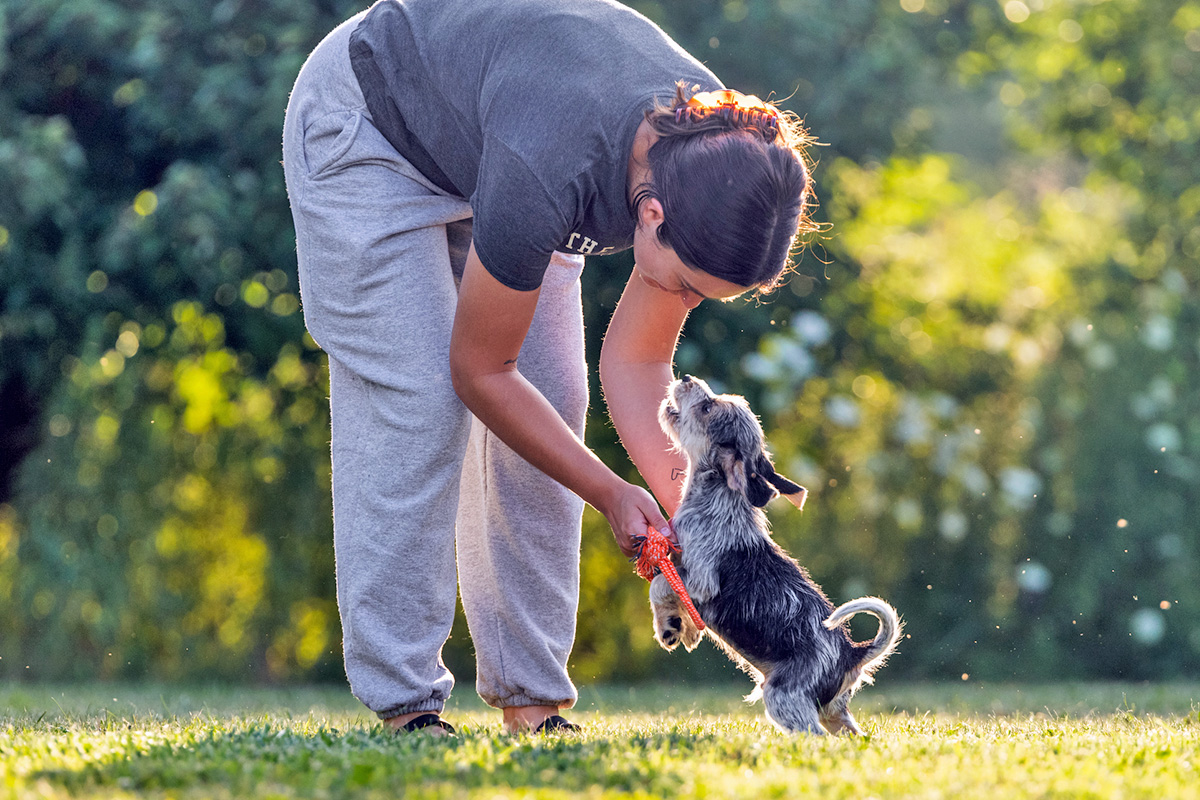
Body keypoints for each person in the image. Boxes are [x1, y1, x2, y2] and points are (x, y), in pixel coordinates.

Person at [281, 0, 814, 736]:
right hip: (371, 128)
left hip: (498, 153)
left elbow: (640, 359)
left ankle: (532, 703)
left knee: (555, 404)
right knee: (425, 402)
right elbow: (481, 372)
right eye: (690, 285)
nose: (687, 301)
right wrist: (609, 493)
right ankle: (408, 705)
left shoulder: (719, 152)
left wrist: (692, 529)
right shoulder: (555, 160)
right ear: (652, 214)